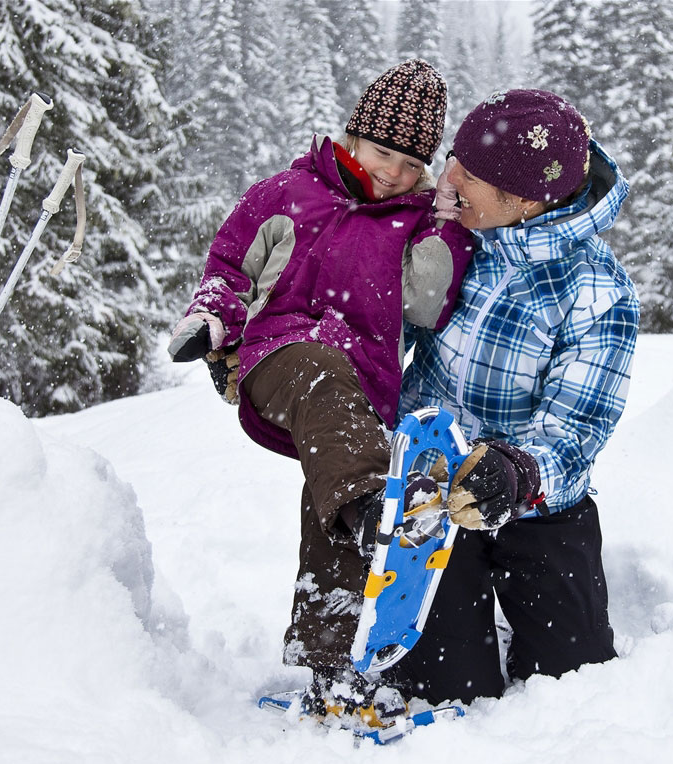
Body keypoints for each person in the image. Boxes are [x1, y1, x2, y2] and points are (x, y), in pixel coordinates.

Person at [166, 60, 474, 724]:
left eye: (412, 163)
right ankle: (376, 504)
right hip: (281, 358)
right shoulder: (285, 194)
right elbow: (230, 265)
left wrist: (446, 223)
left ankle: (336, 673)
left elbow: (428, 305)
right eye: (384, 151)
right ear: (354, 137)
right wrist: (213, 319)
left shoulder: (416, 221)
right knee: (326, 395)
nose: (393, 171)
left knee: (331, 503)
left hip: (359, 395)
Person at [378, 88, 639, 704]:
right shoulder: (451, 236)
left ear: (522, 200)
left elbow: (577, 430)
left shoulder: (598, 293)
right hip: (435, 483)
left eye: (469, 173)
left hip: (537, 498)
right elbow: (380, 324)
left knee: (572, 685)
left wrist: (521, 470)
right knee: (442, 689)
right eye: (454, 158)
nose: (449, 176)